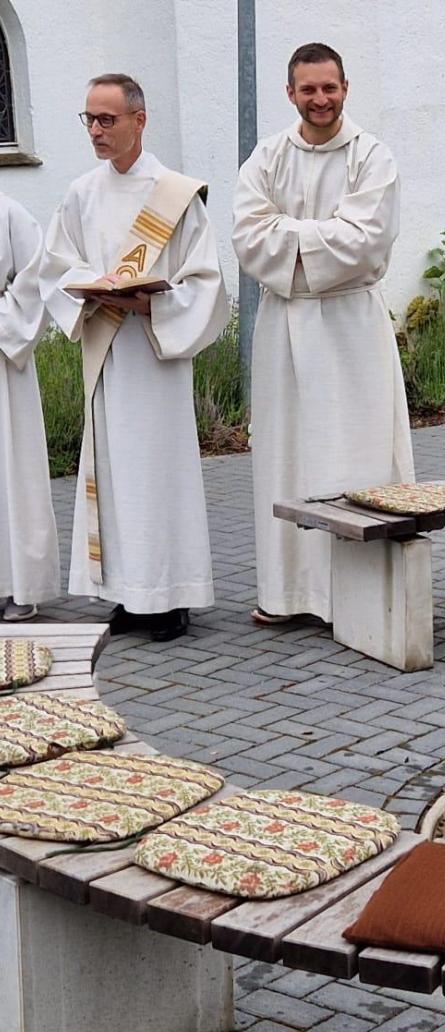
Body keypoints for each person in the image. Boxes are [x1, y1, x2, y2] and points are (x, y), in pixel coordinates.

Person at [39, 74, 229, 641]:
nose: (96, 131)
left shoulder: (176, 195)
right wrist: (90, 285)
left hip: (155, 355)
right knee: (115, 474)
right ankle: (125, 594)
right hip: (106, 351)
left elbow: (206, 280)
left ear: (139, 121)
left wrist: (153, 304)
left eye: (108, 119)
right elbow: (56, 266)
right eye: (90, 120)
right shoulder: (80, 193)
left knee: (160, 474)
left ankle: (171, 598)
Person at [233, 42, 414, 626]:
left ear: (345, 88)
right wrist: (324, 233)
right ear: (290, 93)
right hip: (284, 328)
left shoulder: (372, 157)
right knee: (285, 456)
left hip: (350, 327)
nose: (320, 99)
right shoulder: (266, 158)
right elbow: (248, 239)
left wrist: (289, 235)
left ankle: (358, 596)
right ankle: (290, 595)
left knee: (358, 455)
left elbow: (366, 240)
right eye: (308, 89)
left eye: (329, 88)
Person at [0, 193, 61, 622]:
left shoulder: (9, 212)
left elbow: (37, 280)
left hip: (4, 363)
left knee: (12, 472)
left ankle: (19, 585)